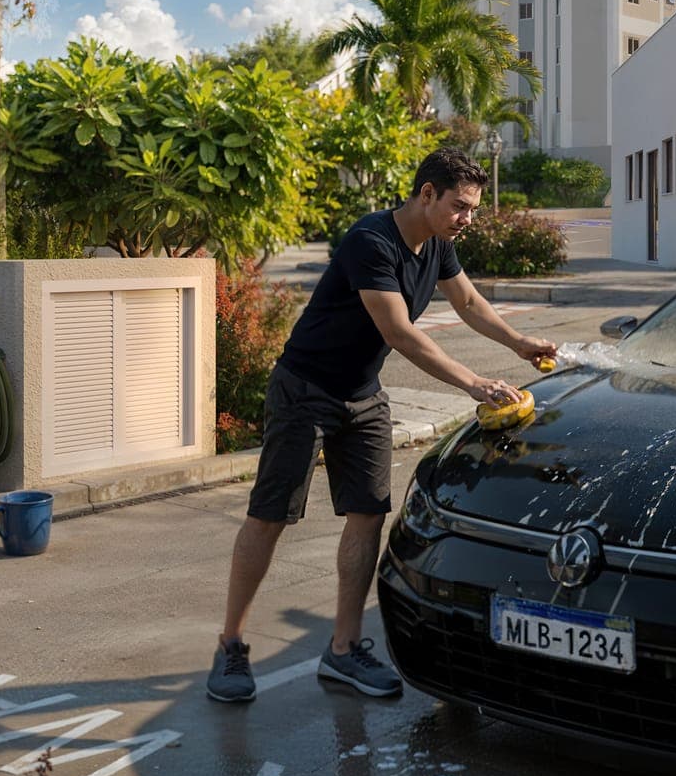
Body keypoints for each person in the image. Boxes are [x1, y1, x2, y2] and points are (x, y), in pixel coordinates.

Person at [206, 147, 556, 703]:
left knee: (368, 516)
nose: (467, 219)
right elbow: (399, 332)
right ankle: (230, 646)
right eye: (460, 207)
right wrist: (472, 382)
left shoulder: (438, 245)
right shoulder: (371, 242)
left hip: (363, 397)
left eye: (472, 209)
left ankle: (343, 651)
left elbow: (466, 301)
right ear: (426, 194)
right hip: (305, 390)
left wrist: (519, 343)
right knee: (270, 516)